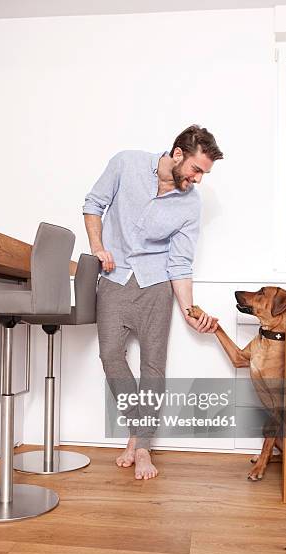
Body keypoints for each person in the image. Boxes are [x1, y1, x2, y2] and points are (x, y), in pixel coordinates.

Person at [83, 124, 223, 480]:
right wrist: (99, 248)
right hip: (114, 279)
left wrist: (189, 311)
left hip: (156, 285)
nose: (198, 180)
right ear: (178, 154)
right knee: (110, 354)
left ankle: (142, 445)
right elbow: (93, 204)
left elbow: (180, 262)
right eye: (196, 170)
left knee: (153, 367)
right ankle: (137, 429)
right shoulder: (125, 163)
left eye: (203, 174)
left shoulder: (191, 203)